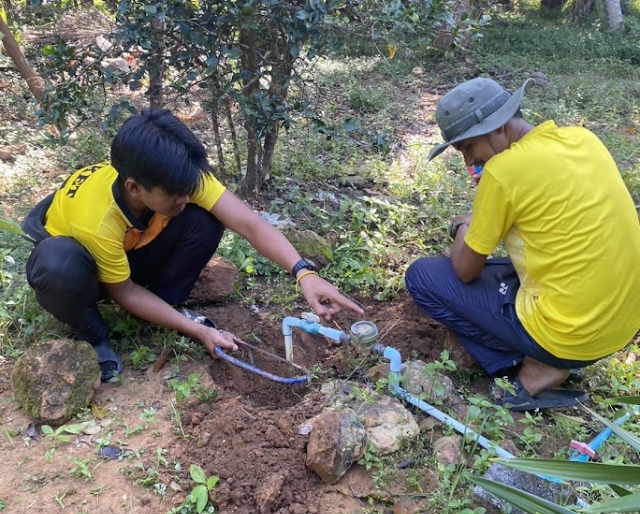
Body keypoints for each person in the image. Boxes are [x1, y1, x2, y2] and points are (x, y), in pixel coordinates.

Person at [23, 109, 363, 381]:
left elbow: (248, 222)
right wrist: (198, 331)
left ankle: (166, 304)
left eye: (188, 189)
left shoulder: (176, 176)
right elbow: (122, 292)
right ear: (134, 188)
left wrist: (304, 273)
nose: (184, 198)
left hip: (131, 248)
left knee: (206, 217)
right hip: (84, 268)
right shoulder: (96, 221)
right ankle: (94, 335)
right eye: (175, 195)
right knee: (59, 264)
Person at [405, 76, 640, 411]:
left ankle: (532, 370)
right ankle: (553, 354)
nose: (469, 163)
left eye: (468, 148)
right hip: (622, 323)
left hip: (572, 335)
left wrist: (462, 225)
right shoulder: (583, 138)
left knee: (423, 276)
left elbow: (465, 269)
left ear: (497, 128)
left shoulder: (504, 171)